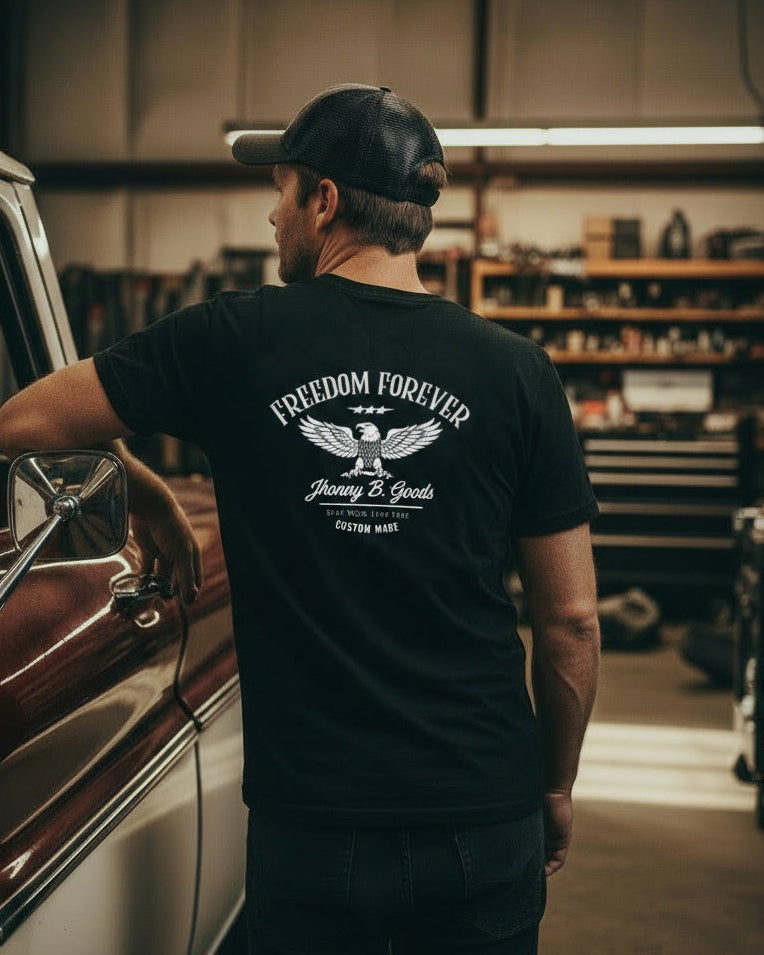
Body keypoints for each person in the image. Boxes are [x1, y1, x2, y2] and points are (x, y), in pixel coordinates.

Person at [0, 84, 600, 954]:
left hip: (317, 827)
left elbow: (19, 424)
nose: (272, 217)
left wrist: (134, 476)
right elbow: (572, 620)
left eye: (280, 192)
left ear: (323, 203)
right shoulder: (520, 373)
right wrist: (553, 785)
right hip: (484, 808)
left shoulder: (229, 340)